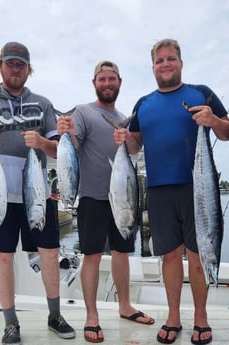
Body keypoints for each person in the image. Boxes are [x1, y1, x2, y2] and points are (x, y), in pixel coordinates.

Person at [0, 41, 75, 345]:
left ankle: (54, 315)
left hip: (36, 193)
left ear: (28, 69)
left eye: (21, 64)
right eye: (10, 63)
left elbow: (57, 149)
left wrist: (42, 143)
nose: (15, 69)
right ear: (0, 65)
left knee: (49, 253)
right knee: (4, 256)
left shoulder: (43, 104)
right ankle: (10, 323)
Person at [114, 39, 229, 344]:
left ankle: (201, 318)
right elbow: (136, 145)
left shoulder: (201, 93)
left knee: (197, 255)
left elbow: (228, 132)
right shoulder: (143, 104)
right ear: (153, 66)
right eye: (159, 61)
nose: (165, 64)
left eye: (171, 59)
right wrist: (123, 138)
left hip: (198, 188)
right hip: (159, 189)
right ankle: (174, 316)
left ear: (181, 62)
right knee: (168, 257)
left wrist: (213, 119)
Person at [57, 61, 155, 343]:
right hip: (94, 197)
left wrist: (127, 139)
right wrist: (65, 129)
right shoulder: (84, 113)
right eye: (102, 79)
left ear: (120, 82)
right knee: (92, 255)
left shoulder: (124, 117)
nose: (107, 83)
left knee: (123, 253)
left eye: (112, 79)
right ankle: (92, 316)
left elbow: (136, 149)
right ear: (94, 83)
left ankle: (125, 307)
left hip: (124, 199)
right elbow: (72, 147)